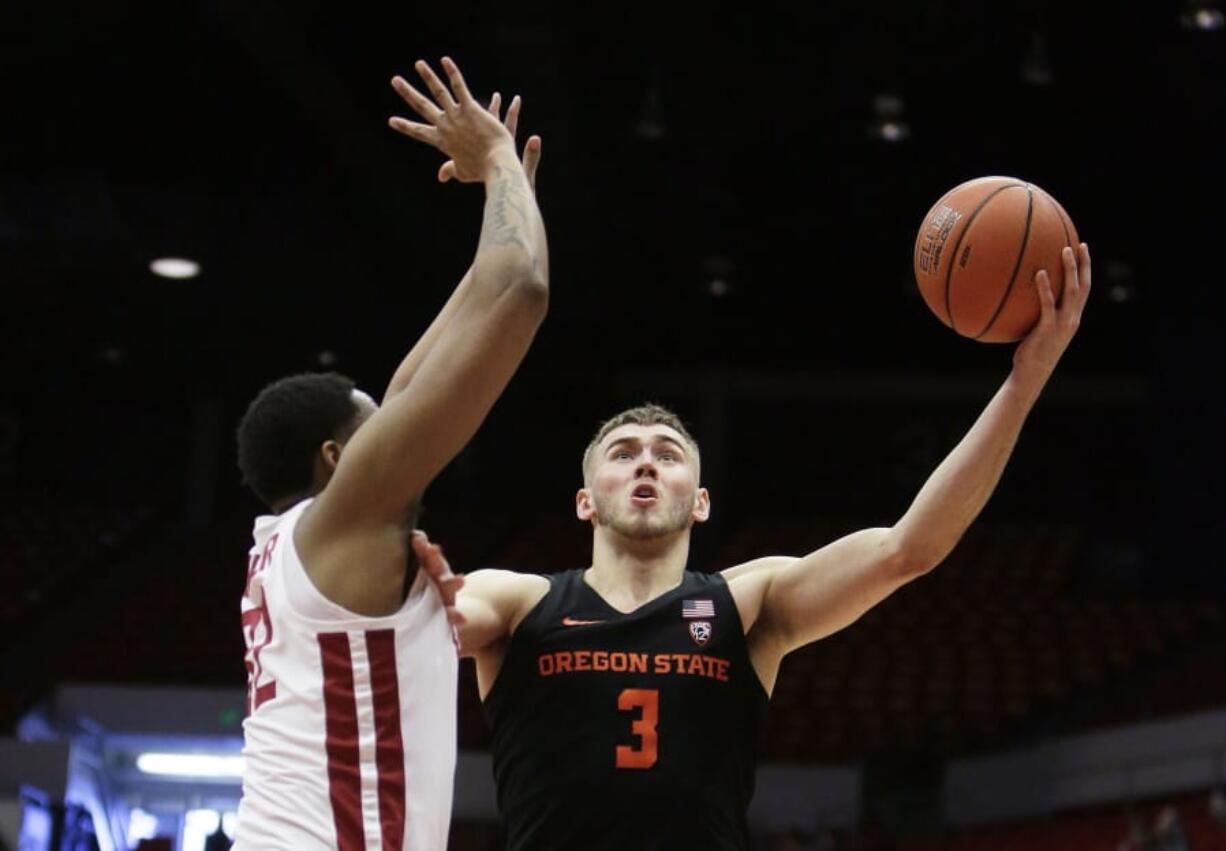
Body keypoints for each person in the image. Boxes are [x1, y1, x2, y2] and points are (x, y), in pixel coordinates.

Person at [437, 245, 1092, 849]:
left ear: (700, 500)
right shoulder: (520, 600)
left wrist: (1024, 381)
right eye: (623, 453)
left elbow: (908, 547)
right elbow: (401, 622)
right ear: (585, 500)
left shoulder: (746, 604)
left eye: (668, 455)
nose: (646, 464)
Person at [231, 56, 548, 850]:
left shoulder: (290, 545)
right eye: (376, 424)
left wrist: (505, 195)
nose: (396, 422)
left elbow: (481, 295)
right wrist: (502, 163)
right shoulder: (342, 520)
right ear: (337, 459)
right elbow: (522, 292)